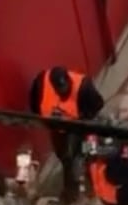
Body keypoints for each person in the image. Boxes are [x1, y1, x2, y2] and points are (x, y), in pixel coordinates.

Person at [28, 65, 105, 196]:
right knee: (65, 157)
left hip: (80, 126)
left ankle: (91, 181)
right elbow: (34, 105)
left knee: (87, 152)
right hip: (58, 128)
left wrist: (81, 118)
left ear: (69, 80)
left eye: (65, 88)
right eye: (60, 90)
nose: (63, 92)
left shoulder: (84, 86)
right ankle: (71, 189)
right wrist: (49, 121)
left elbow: (98, 104)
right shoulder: (41, 83)